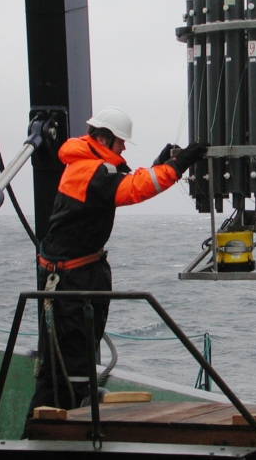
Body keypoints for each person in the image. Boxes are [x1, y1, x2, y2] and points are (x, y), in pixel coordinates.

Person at [27, 106, 207, 414]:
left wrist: (159, 164)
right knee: (69, 361)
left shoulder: (90, 166)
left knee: (75, 354)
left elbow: (122, 182)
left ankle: (70, 408)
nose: (123, 147)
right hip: (71, 283)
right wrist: (175, 167)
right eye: (121, 141)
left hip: (78, 276)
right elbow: (132, 189)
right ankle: (48, 424)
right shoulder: (89, 171)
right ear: (105, 138)